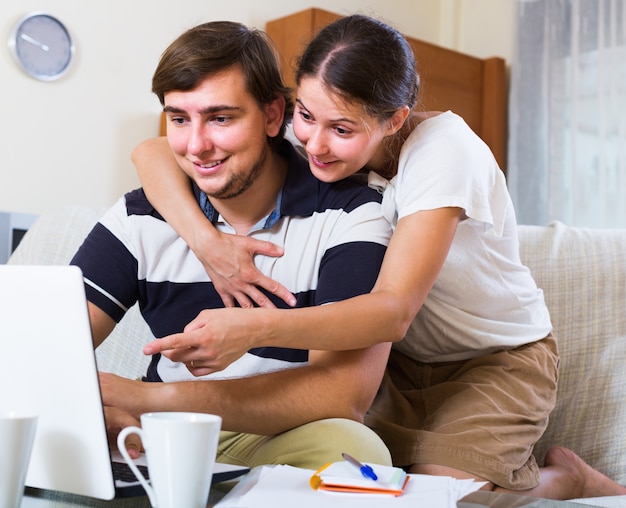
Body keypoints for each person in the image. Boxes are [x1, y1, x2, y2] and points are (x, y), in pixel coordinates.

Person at [131, 14, 626, 500]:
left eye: (342, 129)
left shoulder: (445, 153)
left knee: (444, 496)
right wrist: (207, 242)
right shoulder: (316, 135)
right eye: (305, 115)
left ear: (394, 119)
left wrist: (254, 327)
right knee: (364, 484)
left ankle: (567, 481)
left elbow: (393, 310)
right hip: (397, 364)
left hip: (491, 360)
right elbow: (151, 153)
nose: (315, 145)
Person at [70, 20, 394, 471]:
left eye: (220, 118)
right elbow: (51, 346)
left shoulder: (355, 214)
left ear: (272, 116)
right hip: (159, 434)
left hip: (275, 434)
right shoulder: (140, 216)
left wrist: (149, 398)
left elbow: (343, 395)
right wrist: (103, 411)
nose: (197, 146)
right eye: (179, 119)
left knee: (355, 451)